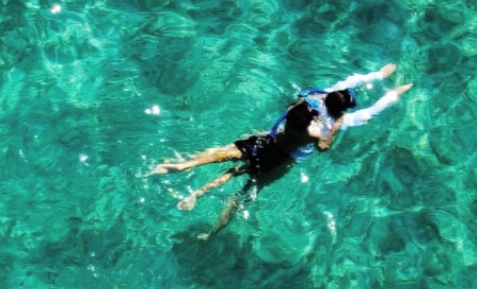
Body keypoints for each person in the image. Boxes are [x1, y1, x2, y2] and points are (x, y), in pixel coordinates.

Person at [153, 64, 412, 235]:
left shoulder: (317, 99)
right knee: (245, 191)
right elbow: (371, 113)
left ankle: (182, 165)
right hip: (283, 159)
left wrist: (378, 74)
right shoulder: (332, 125)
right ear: (343, 109)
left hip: (268, 141)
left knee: (221, 154)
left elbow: (351, 81)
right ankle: (212, 232)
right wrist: (395, 92)